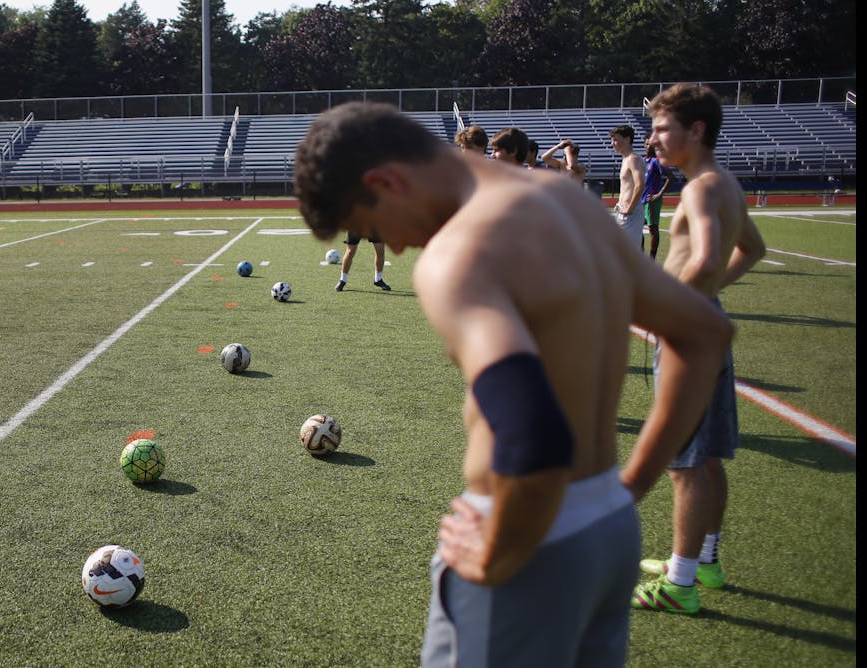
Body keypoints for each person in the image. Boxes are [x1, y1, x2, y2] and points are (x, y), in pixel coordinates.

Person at [294, 102, 731, 666]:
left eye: (376, 229)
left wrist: (504, 553)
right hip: (610, 528)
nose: (397, 249)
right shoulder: (567, 199)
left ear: (386, 182)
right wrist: (629, 487)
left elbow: (534, 436)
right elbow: (706, 334)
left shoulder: (456, 255)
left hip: (528, 544)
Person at [627, 83, 767, 615]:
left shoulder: (701, 189)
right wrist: (706, 299)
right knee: (704, 456)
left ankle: (680, 582)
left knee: (683, 462)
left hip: (688, 334)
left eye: (662, 128)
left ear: (697, 130)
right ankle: (703, 560)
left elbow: (708, 257)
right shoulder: (721, 183)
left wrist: (676, 307)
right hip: (705, 324)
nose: (654, 139)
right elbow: (753, 249)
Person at [610, 125, 646, 248]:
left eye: (615, 139)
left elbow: (640, 185)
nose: (612, 143)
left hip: (630, 214)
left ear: (627, 139)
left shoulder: (633, 159)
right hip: (623, 211)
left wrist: (629, 209)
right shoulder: (626, 159)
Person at [640, 143, 672, 259]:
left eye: (651, 144)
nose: (648, 146)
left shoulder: (656, 161)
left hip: (651, 201)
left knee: (653, 228)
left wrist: (659, 194)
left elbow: (671, 177)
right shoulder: (643, 161)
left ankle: (651, 259)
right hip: (641, 200)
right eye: (647, 143)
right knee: (638, 227)